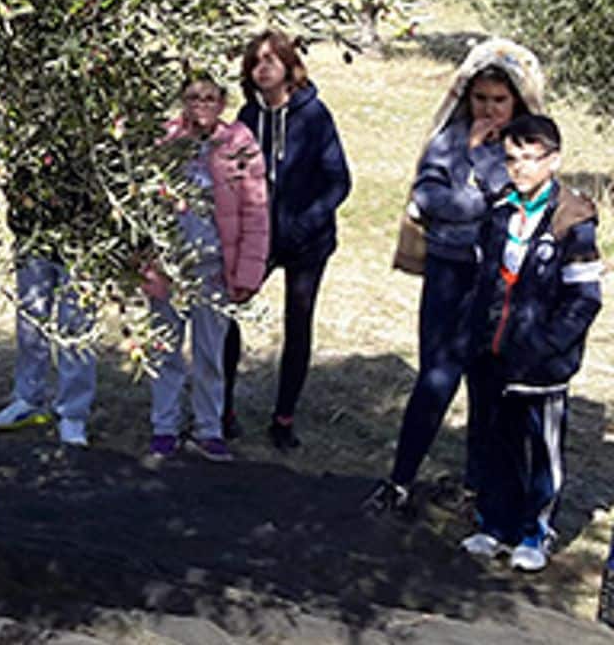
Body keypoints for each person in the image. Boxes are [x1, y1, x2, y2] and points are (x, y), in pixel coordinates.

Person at [366, 40, 542, 515]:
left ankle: (476, 486)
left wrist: (466, 197)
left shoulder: (527, 146)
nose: (489, 110)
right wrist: (476, 190)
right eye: (481, 99)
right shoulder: (450, 139)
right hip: (449, 271)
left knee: (488, 383)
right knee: (437, 375)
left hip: (503, 279)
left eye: (499, 101)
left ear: (517, 103)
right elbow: (427, 199)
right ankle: (400, 479)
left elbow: (523, 202)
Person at [461, 114, 601, 572]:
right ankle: (493, 524)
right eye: (511, 158)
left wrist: (546, 346)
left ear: (553, 160)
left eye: (529, 158)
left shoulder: (572, 220)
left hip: (542, 364)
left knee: (541, 450)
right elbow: (483, 276)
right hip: (493, 353)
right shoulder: (499, 209)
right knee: (494, 442)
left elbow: (584, 299)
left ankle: (535, 532)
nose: (518, 168)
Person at [225, 30, 351, 450]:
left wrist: (306, 221)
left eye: (270, 60)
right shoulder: (246, 117)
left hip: (307, 241)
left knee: (298, 322)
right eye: (255, 61)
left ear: (289, 67)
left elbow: (339, 180)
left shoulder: (315, 116)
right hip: (256, 239)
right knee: (229, 313)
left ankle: (283, 418)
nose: (262, 68)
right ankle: (223, 409)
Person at [140, 77, 269, 463]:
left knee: (210, 352)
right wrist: (143, 258)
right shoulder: (164, 140)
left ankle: (208, 428)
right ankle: (164, 426)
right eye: (193, 97)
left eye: (209, 98)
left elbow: (256, 211)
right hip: (168, 265)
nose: (201, 105)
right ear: (182, 100)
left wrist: (248, 273)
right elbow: (143, 204)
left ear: (223, 101)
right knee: (164, 349)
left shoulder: (239, 143)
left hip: (214, 267)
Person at [0, 156, 99, 447]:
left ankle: (73, 414)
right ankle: (27, 398)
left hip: (82, 235)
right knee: (30, 322)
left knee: (76, 326)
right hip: (34, 233)